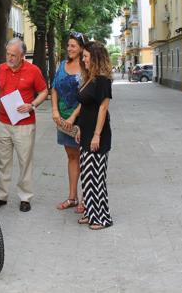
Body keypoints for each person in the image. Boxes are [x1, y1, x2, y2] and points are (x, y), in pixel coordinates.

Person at [0, 38, 48, 212]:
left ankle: (25, 197)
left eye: (13, 55)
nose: (9, 58)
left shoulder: (33, 70)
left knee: (25, 161)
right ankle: (0, 196)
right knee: (2, 161)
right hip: (3, 122)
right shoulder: (1, 68)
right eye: (8, 54)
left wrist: (31, 105)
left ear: (22, 56)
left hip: (24, 123)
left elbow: (44, 91)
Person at [75, 41, 114, 230]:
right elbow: (86, 107)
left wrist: (96, 135)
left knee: (97, 177)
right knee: (88, 177)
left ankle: (103, 217)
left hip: (98, 135)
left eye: (86, 57)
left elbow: (103, 107)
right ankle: (91, 212)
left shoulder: (103, 80)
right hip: (86, 133)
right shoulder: (89, 78)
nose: (83, 60)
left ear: (96, 58)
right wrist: (81, 129)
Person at [52, 32, 85, 214]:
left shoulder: (85, 66)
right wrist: (55, 111)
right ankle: (72, 197)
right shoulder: (62, 65)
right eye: (68, 45)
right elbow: (55, 88)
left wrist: (73, 117)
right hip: (63, 120)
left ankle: (87, 199)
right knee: (72, 157)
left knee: (86, 159)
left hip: (80, 119)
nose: (70, 49)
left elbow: (87, 94)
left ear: (81, 48)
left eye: (73, 45)